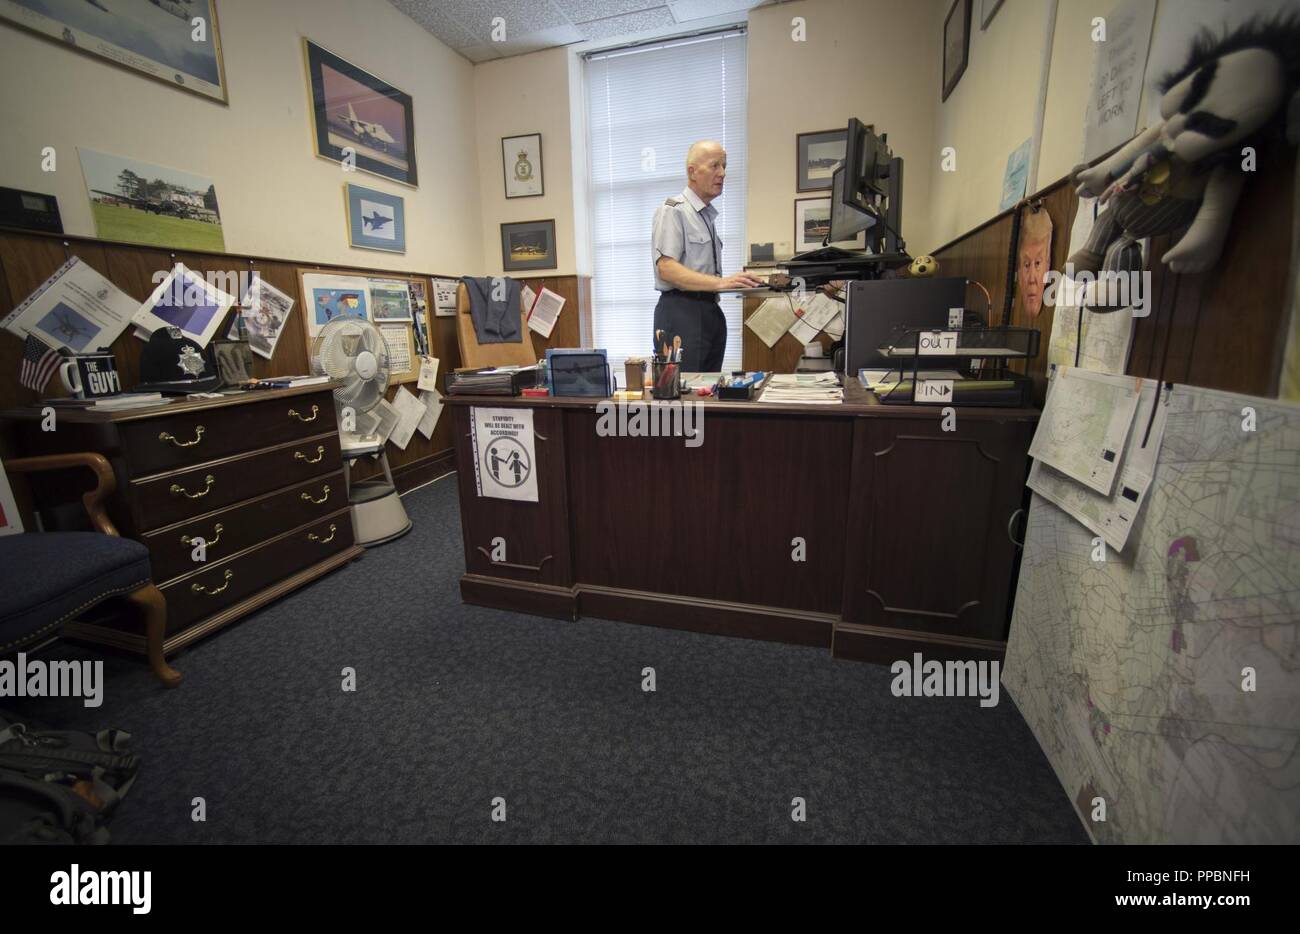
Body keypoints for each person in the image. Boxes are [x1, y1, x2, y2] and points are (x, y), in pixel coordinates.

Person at [650, 140, 761, 371]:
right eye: (714, 166)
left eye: (724, 166)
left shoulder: (705, 216)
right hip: (682, 313)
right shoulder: (673, 210)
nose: (722, 173)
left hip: (710, 311)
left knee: (708, 394)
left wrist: (741, 284)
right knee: (685, 397)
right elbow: (666, 268)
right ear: (692, 172)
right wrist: (722, 282)